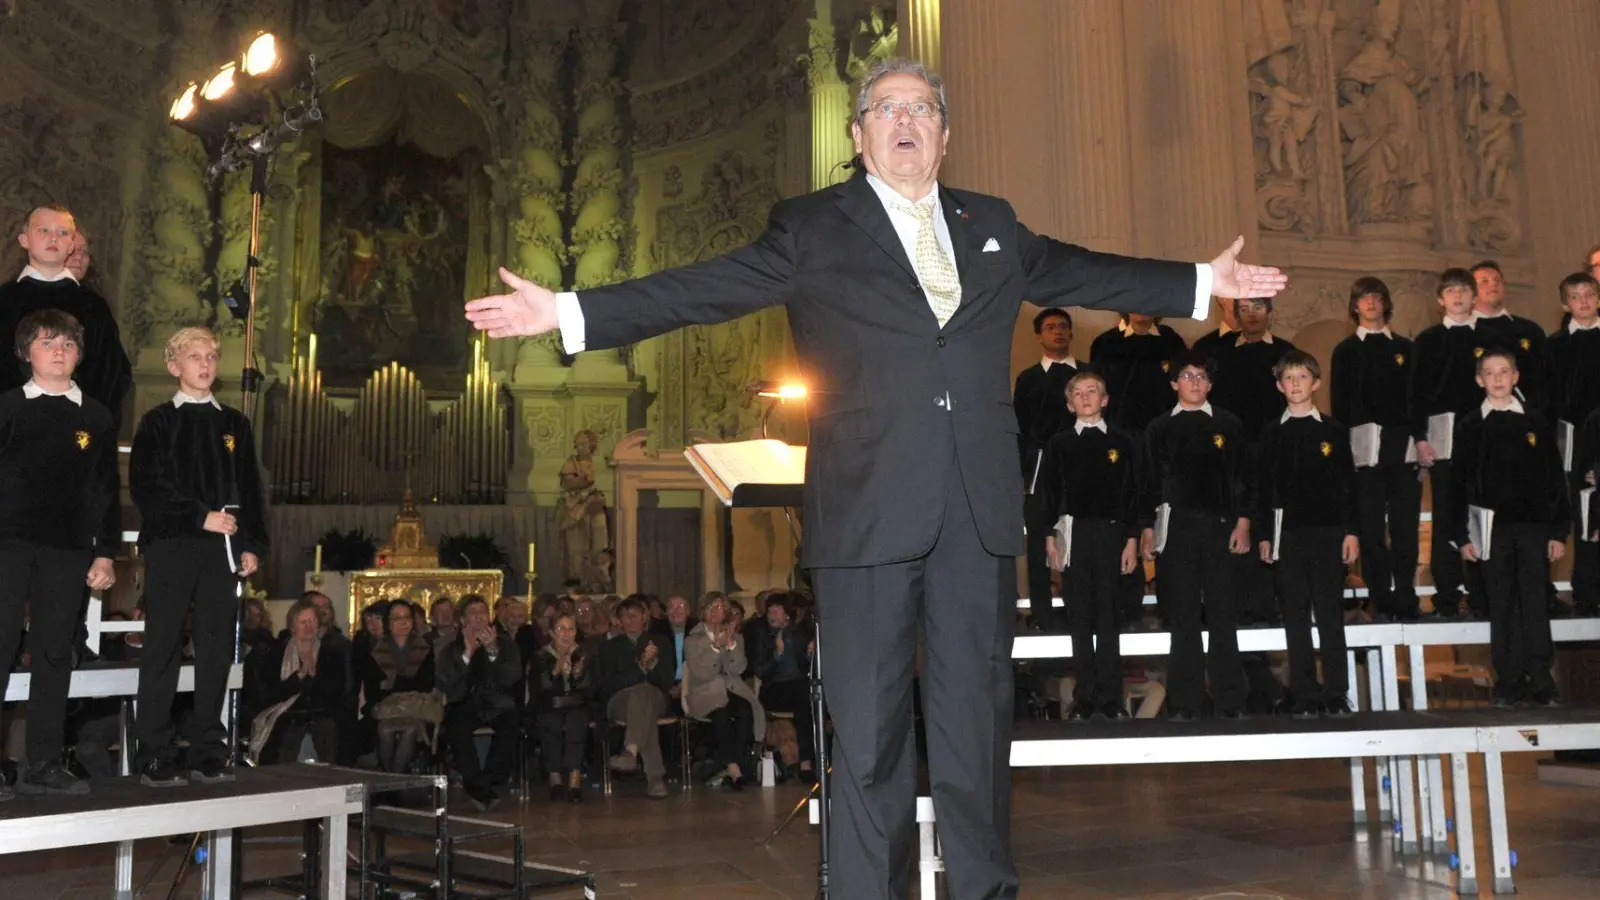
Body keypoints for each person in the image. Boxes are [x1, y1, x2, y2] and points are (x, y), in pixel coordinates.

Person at [463, 57, 1285, 897]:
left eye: (922, 108)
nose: (905, 119)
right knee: (869, 738)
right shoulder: (813, 226)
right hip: (864, 514)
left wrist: (1200, 283)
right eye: (886, 108)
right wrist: (567, 312)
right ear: (858, 136)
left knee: (976, 729)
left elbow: (1082, 269)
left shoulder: (991, 223)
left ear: (944, 134)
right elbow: (704, 290)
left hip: (975, 514)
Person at [129, 326, 268, 786]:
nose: (205, 364)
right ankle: (154, 750)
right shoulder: (157, 422)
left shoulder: (235, 424)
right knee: (163, 647)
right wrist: (198, 517)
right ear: (174, 366)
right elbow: (147, 489)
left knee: (215, 650)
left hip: (222, 549)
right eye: (194, 356)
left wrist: (251, 544)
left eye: (211, 355)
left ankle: (208, 747)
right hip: (172, 545)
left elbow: (250, 490)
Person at [0, 309, 119, 798]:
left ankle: (44, 763)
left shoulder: (95, 415)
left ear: (79, 354)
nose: (59, 351)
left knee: (55, 654)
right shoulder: (7, 407)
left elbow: (105, 491)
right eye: (48, 343)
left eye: (68, 344)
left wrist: (106, 555)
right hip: (7, 546)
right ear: (27, 352)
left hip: (68, 551)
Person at [1450, 348, 1568, 706]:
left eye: (1505, 371)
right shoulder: (1471, 425)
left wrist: (1557, 532)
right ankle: (1508, 678)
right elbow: (1457, 483)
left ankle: (1539, 673)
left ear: (1516, 377)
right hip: (1490, 530)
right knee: (1500, 601)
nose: (1498, 378)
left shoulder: (1536, 422)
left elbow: (1554, 481)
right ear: (1479, 380)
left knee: (1534, 598)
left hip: (1532, 526)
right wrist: (1462, 535)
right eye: (1490, 372)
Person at [1139, 350, 1253, 720]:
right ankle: (1185, 703)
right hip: (1176, 532)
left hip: (1221, 528)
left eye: (1202, 376)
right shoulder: (1158, 428)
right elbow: (1149, 484)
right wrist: (1146, 530)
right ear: (1174, 383)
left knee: (1223, 615)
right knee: (1183, 617)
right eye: (1187, 376)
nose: (1195, 383)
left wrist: (1244, 522)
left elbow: (1243, 479)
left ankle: (1230, 700)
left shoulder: (1229, 424)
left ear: (1210, 383)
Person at [1256, 350, 1359, 717]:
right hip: (1288, 536)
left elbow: (1348, 484)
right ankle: (1303, 691)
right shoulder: (1270, 433)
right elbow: (1263, 490)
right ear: (1279, 386)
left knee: (1330, 615)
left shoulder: (1333, 430)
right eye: (1289, 378)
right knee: (1295, 615)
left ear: (1316, 383)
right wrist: (1266, 536)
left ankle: (1336, 692)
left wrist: (1351, 531)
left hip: (1329, 533)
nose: (1296, 384)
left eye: (1303, 377)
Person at [1039, 371, 1140, 720]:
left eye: (1092, 391)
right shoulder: (1058, 444)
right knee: (1079, 617)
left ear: (1105, 399)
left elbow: (1132, 495)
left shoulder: (1124, 443)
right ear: (1069, 404)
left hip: (1112, 534)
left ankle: (1112, 699)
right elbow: (1048, 495)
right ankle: (1085, 699)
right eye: (1077, 393)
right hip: (1073, 534)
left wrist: (1130, 541)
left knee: (1110, 616)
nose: (1085, 398)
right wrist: (1050, 538)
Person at [1330, 277, 1421, 621]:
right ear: (1354, 306)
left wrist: (1420, 443)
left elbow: (1415, 401)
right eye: (1363, 298)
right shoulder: (1345, 350)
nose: (1370, 303)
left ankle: (1406, 596)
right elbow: (1340, 408)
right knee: (1369, 530)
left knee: (1404, 528)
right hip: (1361, 448)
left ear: (1385, 303)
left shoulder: (1406, 348)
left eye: (1376, 297)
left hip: (1402, 446)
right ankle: (1381, 598)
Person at [1202, 297, 1296, 626]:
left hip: (1275, 449)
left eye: (1258, 308)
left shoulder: (1287, 352)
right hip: (1231, 453)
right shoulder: (1221, 351)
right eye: (1244, 309)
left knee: (1272, 522)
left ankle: (1272, 603)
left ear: (1270, 312)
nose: (1251, 314)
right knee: (1235, 523)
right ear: (1236, 315)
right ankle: (1238, 603)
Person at [0, 206, 132, 430]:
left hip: (77, 430)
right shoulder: (4, 301)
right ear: (24, 239)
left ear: (71, 245)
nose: (53, 238)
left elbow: (111, 374)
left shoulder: (93, 306)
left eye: (62, 233)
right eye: (43, 230)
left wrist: (90, 422)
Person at [1410, 269, 1487, 618]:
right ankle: (1447, 595)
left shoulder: (1491, 336)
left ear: (1474, 297)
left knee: (1482, 509)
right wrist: (1420, 439)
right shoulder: (1427, 340)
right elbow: (1417, 395)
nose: (1457, 296)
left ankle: (1484, 590)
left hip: (1484, 436)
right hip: (1442, 436)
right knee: (1444, 515)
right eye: (1450, 291)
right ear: (1440, 299)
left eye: (1464, 291)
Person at [1015, 308, 1078, 631]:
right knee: (1039, 541)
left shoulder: (1086, 375)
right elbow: (1020, 429)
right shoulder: (1028, 378)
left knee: (1077, 539)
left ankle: (1078, 610)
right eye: (1051, 327)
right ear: (1039, 336)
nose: (1059, 332)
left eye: (1064, 327)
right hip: (1039, 468)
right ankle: (1042, 615)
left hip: (1079, 467)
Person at [436, 594, 522, 810]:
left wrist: (492, 651)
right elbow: (446, 682)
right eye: (472, 613)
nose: (478, 617)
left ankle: (485, 782)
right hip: (463, 702)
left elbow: (512, 677)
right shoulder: (450, 647)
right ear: (462, 620)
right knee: (457, 726)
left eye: (482, 612)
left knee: (512, 720)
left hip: (496, 702)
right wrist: (467, 654)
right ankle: (480, 786)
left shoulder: (505, 643)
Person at [595, 596, 676, 798]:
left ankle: (630, 752)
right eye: (625, 616)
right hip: (620, 700)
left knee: (643, 696)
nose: (630, 620)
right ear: (619, 621)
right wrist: (640, 667)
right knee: (641, 698)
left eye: (634, 615)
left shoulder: (661, 642)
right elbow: (606, 685)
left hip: (655, 697)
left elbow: (666, 681)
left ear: (645, 617)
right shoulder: (609, 648)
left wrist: (654, 663)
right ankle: (655, 779)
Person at [683, 593, 765, 789]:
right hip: (704, 692)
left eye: (720, 608)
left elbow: (739, 669)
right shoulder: (693, 640)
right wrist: (715, 649)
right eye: (711, 607)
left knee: (746, 709)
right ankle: (734, 768)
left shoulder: (736, 636)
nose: (715, 612)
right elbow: (701, 673)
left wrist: (731, 646)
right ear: (703, 611)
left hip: (731, 688)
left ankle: (733, 764)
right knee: (722, 714)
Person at [1554, 273, 1600, 617]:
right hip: (1569, 440)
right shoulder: (1553, 345)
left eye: (1589, 294)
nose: (1583, 301)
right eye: (1575, 296)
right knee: (1575, 513)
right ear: (1565, 304)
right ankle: (1584, 591)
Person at [255, 600, 349, 764]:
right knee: (288, 734)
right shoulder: (276, 654)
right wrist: (298, 677)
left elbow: (336, 693)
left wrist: (315, 677)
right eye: (303, 622)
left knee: (328, 731)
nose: (308, 626)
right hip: (286, 715)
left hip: (321, 715)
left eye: (312, 621)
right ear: (293, 627)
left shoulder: (331, 653)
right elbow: (270, 694)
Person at [357, 600, 435, 774]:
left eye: (407, 617)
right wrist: (403, 684)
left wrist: (393, 684)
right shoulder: (376, 650)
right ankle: (390, 778)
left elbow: (426, 684)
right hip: (385, 709)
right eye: (397, 618)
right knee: (385, 730)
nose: (403, 622)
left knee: (410, 730)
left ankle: (394, 780)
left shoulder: (424, 648)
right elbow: (374, 688)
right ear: (389, 622)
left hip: (415, 708)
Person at [749, 592, 816, 783]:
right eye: (769, 611)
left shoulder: (801, 634)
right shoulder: (763, 636)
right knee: (804, 696)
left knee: (806, 701)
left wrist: (810, 655)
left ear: (787, 614)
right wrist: (777, 655)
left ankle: (806, 762)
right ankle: (805, 762)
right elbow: (760, 671)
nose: (771, 616)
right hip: (774, 689)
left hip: (799, 689)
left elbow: (807, 667)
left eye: (776, 611)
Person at [1089, 313, 1189, 434]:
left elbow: (1185, 389)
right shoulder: (1105, 343)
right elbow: (1094, 391)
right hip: (1116, 432)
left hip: (1164, 431)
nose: (1142, 308)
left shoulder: (1172, 341)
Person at [530, 613, 593, 802]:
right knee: (551, 722)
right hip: (548, 705)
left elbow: (590, 689)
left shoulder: (582, 655)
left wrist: (579, 675)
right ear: (551, 632)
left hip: (576, 705)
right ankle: (555, 776)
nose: (566, 633)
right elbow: (542, 688)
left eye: (571, 629)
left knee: (577, 721)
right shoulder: (540, 656)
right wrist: (557, 668)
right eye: (561, 629)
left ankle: (574, 778)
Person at [1470, 261, 1547, 408]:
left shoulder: (1530, 330)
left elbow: (1545, 380)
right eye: (1484, 281)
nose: (1493, 284)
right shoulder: (1464, 333)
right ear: (1470, 291)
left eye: (1497, 281)